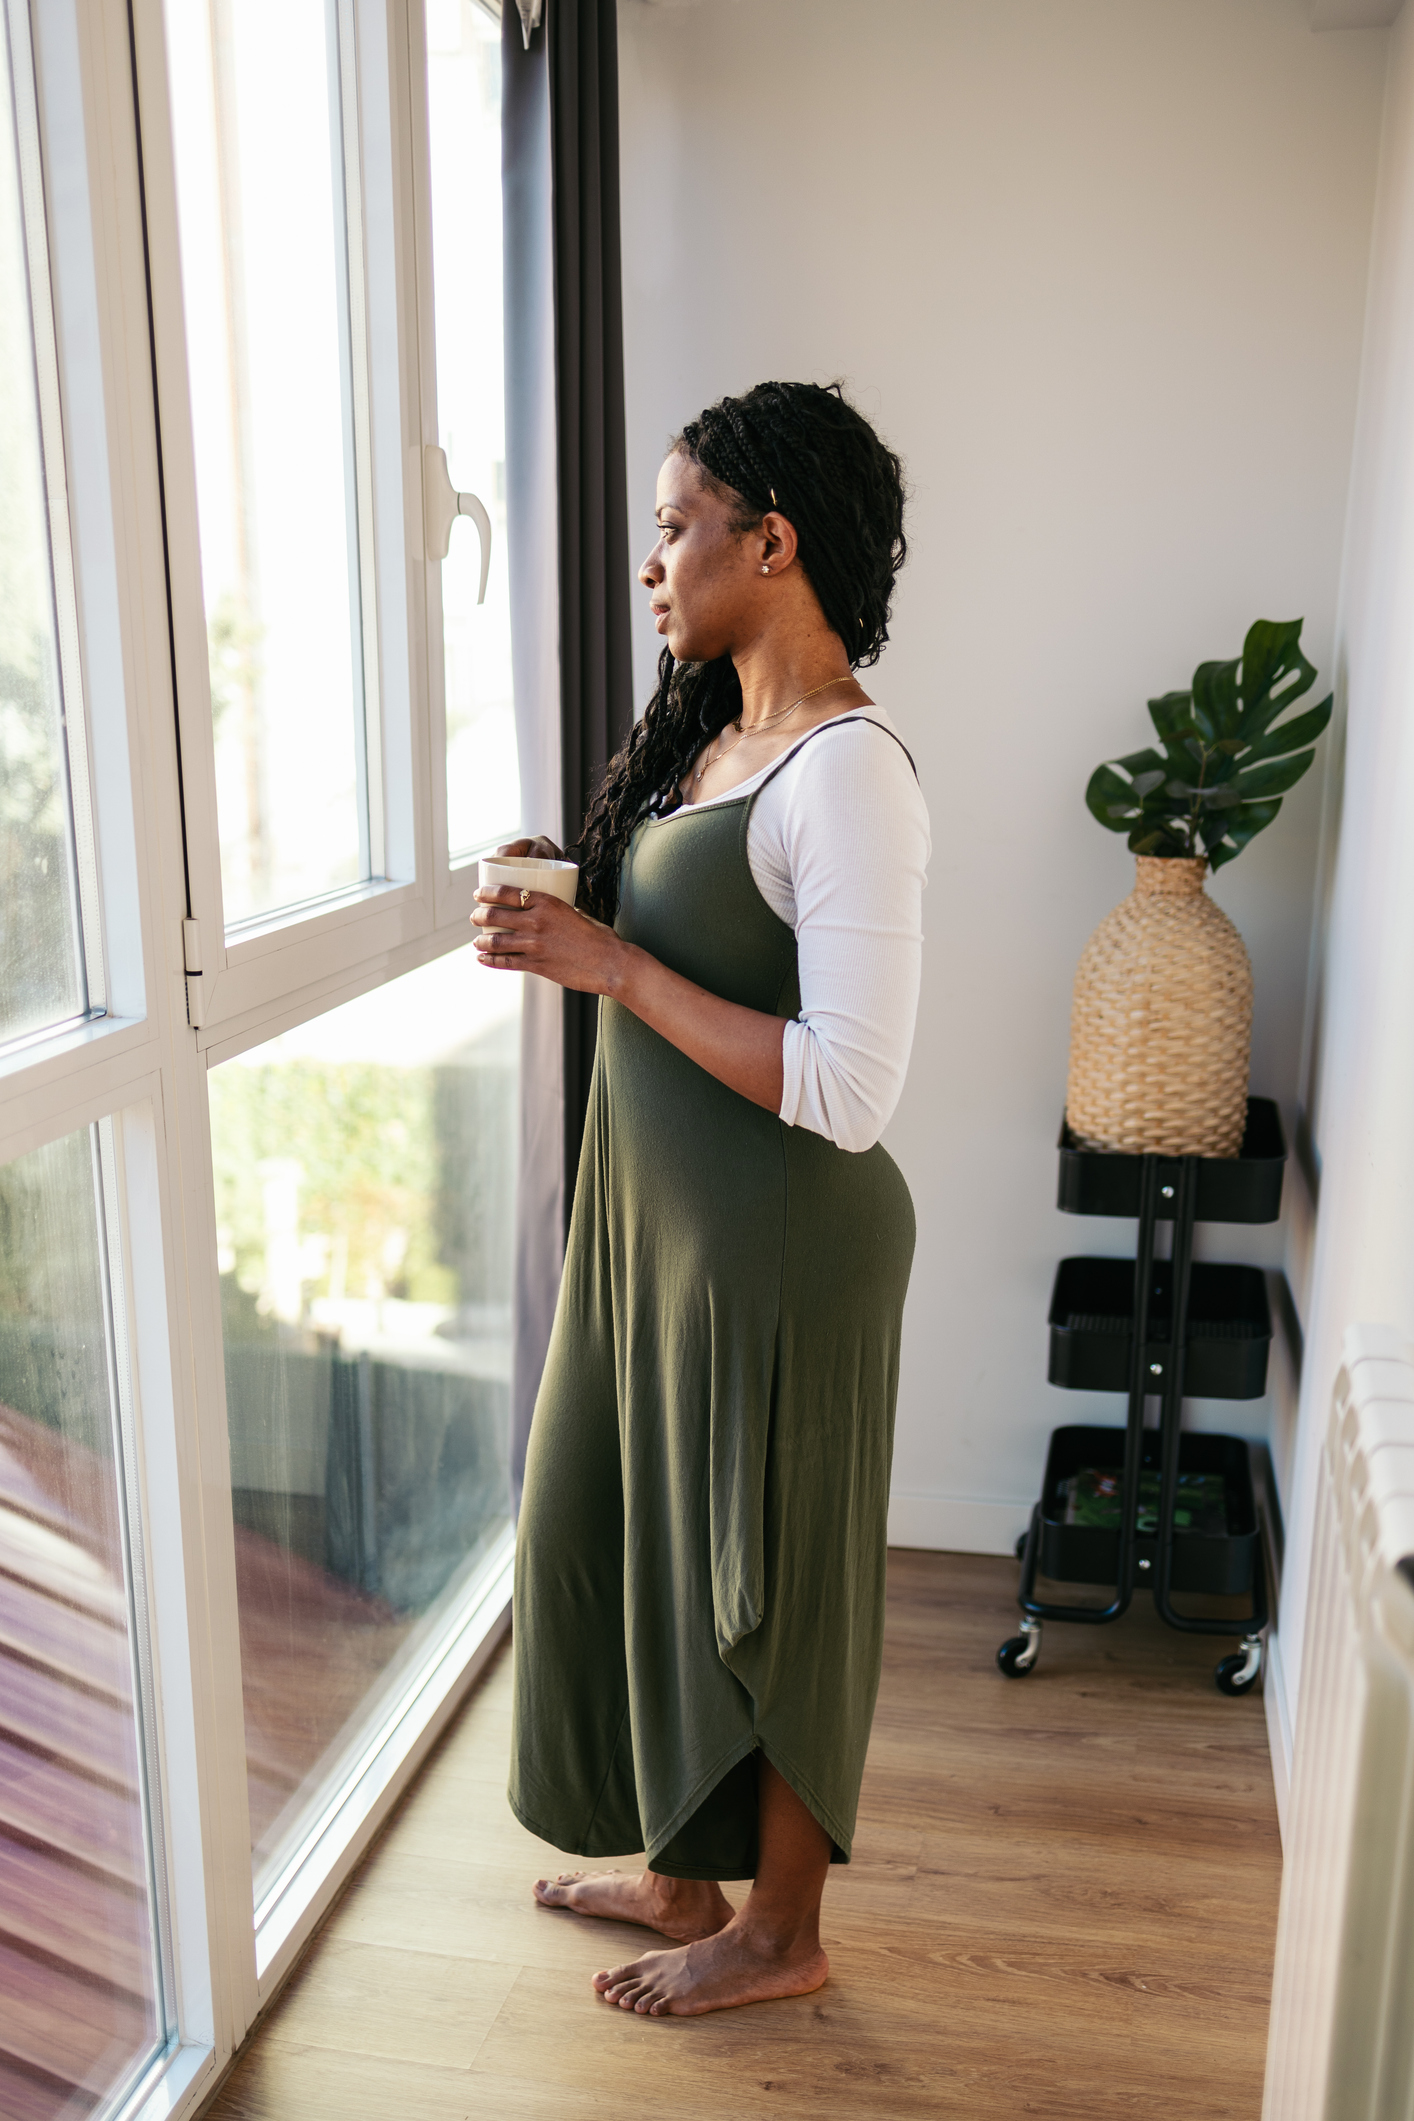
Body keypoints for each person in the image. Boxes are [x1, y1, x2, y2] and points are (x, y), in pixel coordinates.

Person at [471, 379, 930, 2018]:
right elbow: (692, 940)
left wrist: (610, 962)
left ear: (774, 541)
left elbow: (851, 1084)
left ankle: (781, 1931)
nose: (653, 567)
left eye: (674, 529)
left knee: (775, 1580)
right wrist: (575, 907)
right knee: (609, 1527)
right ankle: (680, 1869)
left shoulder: (851, 771)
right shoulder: (718, 741)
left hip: (785, 1250)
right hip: (653, 1235)